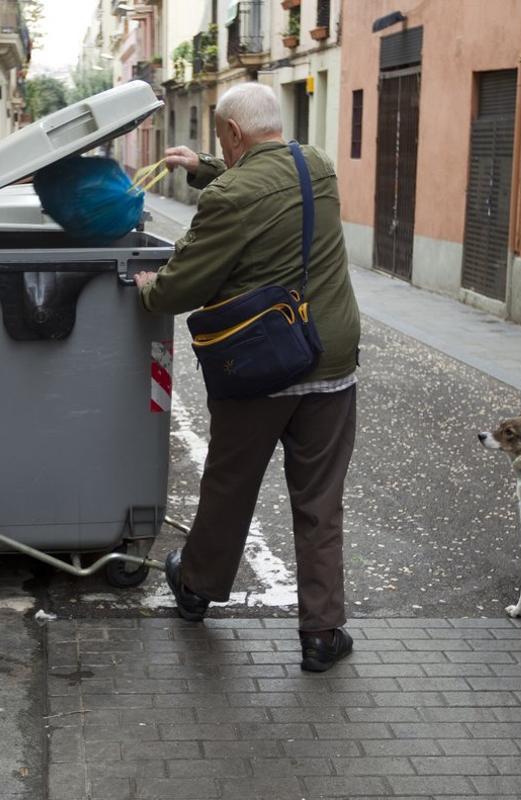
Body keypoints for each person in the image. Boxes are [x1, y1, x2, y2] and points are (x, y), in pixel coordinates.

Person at [134, 83, 361, 673]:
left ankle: (197, 588)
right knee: (320, 502)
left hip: (260, 366)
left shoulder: (229, 197)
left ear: (233, 134)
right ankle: (322, 633)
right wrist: (203, 166)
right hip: (330, 361)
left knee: (230, 486)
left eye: (219, 142)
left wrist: (149, 289)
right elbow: (267, 181)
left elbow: (183, 284)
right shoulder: (318, 166)